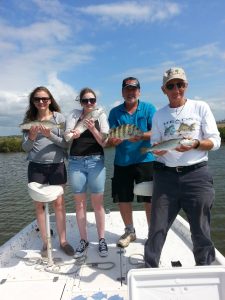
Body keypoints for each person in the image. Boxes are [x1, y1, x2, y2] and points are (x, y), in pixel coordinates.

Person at [144, 67, 221, 267]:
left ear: (186, 86)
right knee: (157, 227)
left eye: (180, 84)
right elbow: (155, 143)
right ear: (164, 89)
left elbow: (215, 141)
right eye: (171, 85)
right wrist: (156, 150)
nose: (176, 89)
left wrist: (196, 144)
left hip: (197, 175)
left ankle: (205, 269)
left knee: (201, 228)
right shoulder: (159, 115)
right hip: (165, 176)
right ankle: (150, 266)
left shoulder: (200, 107)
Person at [22, 86, 74, 257]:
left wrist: (50, 134)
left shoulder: (59, 118)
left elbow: (66, 144)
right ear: (33, 102)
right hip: (36, 166)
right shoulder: (29, 120)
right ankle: (46, 243)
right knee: (39, 205)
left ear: (50, 100)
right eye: (37, 99)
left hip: (57, 165)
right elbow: (25, 148)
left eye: (44, 98)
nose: (41, 101)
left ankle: (63, 241)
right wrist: (31, 136)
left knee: (59, 204)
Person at [108, 77, 156, 248]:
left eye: (134, 89)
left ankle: (152, 233)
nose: (131, 92)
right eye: (127, 89)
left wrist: (142, 136)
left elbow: (156, 132)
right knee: (123, 198)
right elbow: (113, 135)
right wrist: (114, 140)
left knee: (149, 198)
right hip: (122, 162)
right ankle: (130, 231)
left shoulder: (149, 108)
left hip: (146, 159)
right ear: (122, 92)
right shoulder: (114, 113)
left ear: (139, 91)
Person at [65, 87, 109, 258]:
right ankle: (83, 240)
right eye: (85, 100)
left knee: (98, 203)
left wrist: (93, 129)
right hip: (76, 162)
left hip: (96, 161)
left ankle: (102, 239)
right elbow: (68, 136)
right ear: (80, 102)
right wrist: (74, 133)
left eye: (92, 100)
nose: (89, 103)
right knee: (79, 204)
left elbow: (104, 143)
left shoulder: (101, 115)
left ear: (96, 102)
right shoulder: (74, 114)